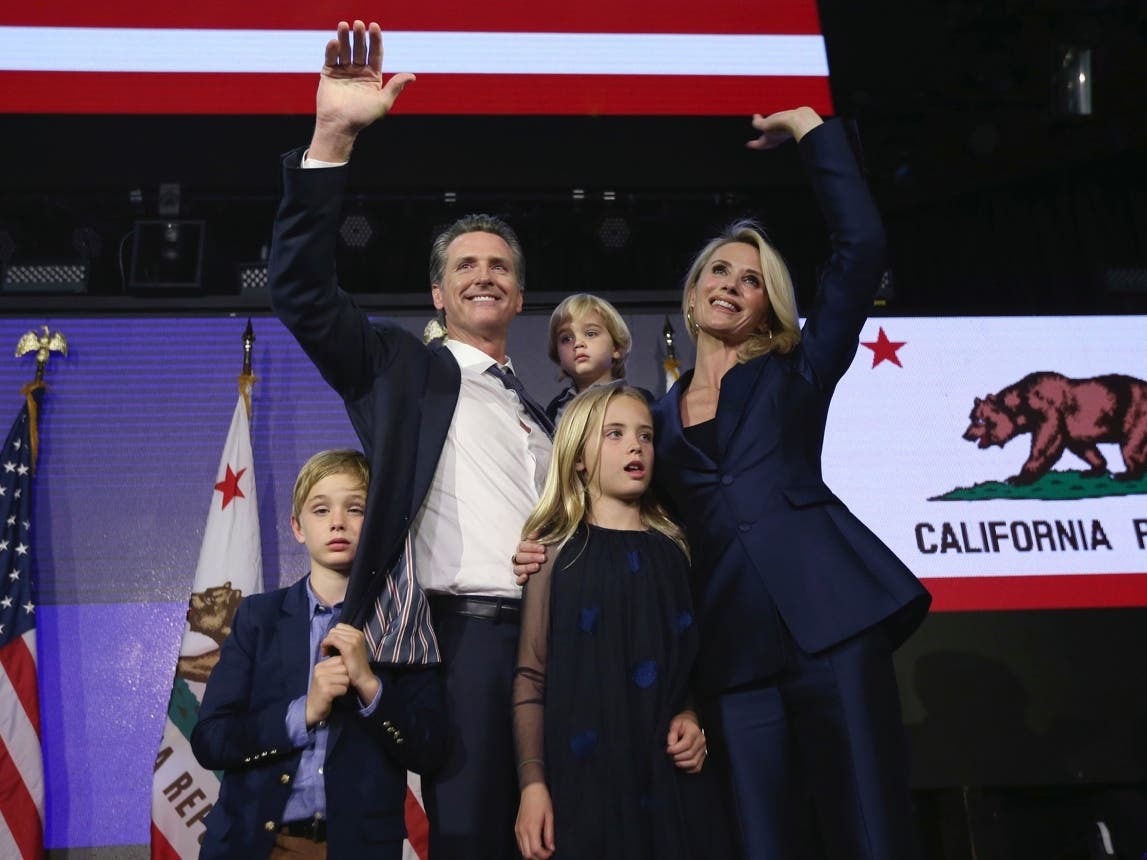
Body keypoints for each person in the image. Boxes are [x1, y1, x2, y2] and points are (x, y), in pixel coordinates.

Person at [517, 108, 932, 858]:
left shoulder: (797, 371)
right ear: (692, 291)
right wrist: (544, 545)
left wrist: (810, 130)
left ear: (769, 305)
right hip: (733, 658)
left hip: (833, 627)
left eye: (752, 280)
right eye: (720, 271)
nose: (733, 286)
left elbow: (862, 247)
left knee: (871, 832)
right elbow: (618, 509)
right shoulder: (654, 419)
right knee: (759, 840)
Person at [268, 21, 553, 860]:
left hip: (557, 638)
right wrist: (332, 137)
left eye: (499, 267)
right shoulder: (401, 370)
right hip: (462, 642)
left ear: (519, 296)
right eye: (464, 265)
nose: (483, 275)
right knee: (471, 837)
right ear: (437, 293)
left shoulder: (545, 416)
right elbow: (301, 293)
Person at [190, 449, 447, 860]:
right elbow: (210, 740)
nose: (338, 522)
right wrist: (303, 712)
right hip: (256, 844)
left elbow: (430, 750)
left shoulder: (404, 619)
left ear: (377, 524)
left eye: (355, 509)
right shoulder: (258, 617)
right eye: (321, 509)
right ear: (297, 527)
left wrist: (370, 687)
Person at [512, 384, 708, 860]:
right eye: (614, 433)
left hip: (665, 779)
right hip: (582, 781)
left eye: (645, 435)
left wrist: (691, 717)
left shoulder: (675, 551)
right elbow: (531, 676)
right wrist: (532, 783)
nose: (635, 446)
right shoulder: (554, 554)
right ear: (578, 457)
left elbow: (686, 666)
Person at [544, 293, 632, 424]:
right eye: (566, 339)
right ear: (558, 356)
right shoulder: (554, 410)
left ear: (616, 347)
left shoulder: (639, 402)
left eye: (590, 334)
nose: (578, 343)